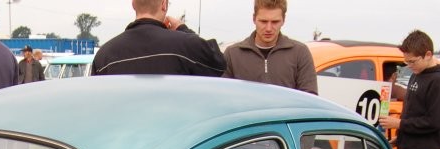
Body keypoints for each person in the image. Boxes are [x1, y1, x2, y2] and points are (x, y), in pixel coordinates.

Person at [91, 0, 224, 76]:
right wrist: (182, 28)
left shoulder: (104, 56)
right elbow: (219, 63)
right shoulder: (185, 46)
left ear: (133, 4)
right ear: (164, 4)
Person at [222, 0, 317, 94]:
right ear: (254, 19)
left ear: (283, 20)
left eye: (275, 22)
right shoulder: (232, 54)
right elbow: (222, 95)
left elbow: (309, 98)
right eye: (263, 21)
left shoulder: (300, 53)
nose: (268, 28)